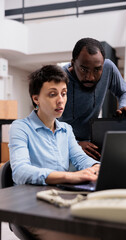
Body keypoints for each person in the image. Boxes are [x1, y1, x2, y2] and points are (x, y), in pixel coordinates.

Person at [9, 65, 100, 240]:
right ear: (36, 99)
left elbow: (81, 159)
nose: (60, 100)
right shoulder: (20, 127)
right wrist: (69, 177)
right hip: (31, 209)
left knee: (110, 227)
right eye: (52, 94)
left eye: (64, 93)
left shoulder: (66, 129)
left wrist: (98, 166)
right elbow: (20, 171)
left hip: (61, 202)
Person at [60, 37, 126, 160]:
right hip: (63, 145)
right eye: (83, 69)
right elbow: (47, 123)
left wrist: (124, 105)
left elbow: (124, 91)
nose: (90, 77)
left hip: (91, 143)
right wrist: (73, 145)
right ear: (73, 63)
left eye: (97, 69)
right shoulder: (59, 77)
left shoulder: (108, 67)